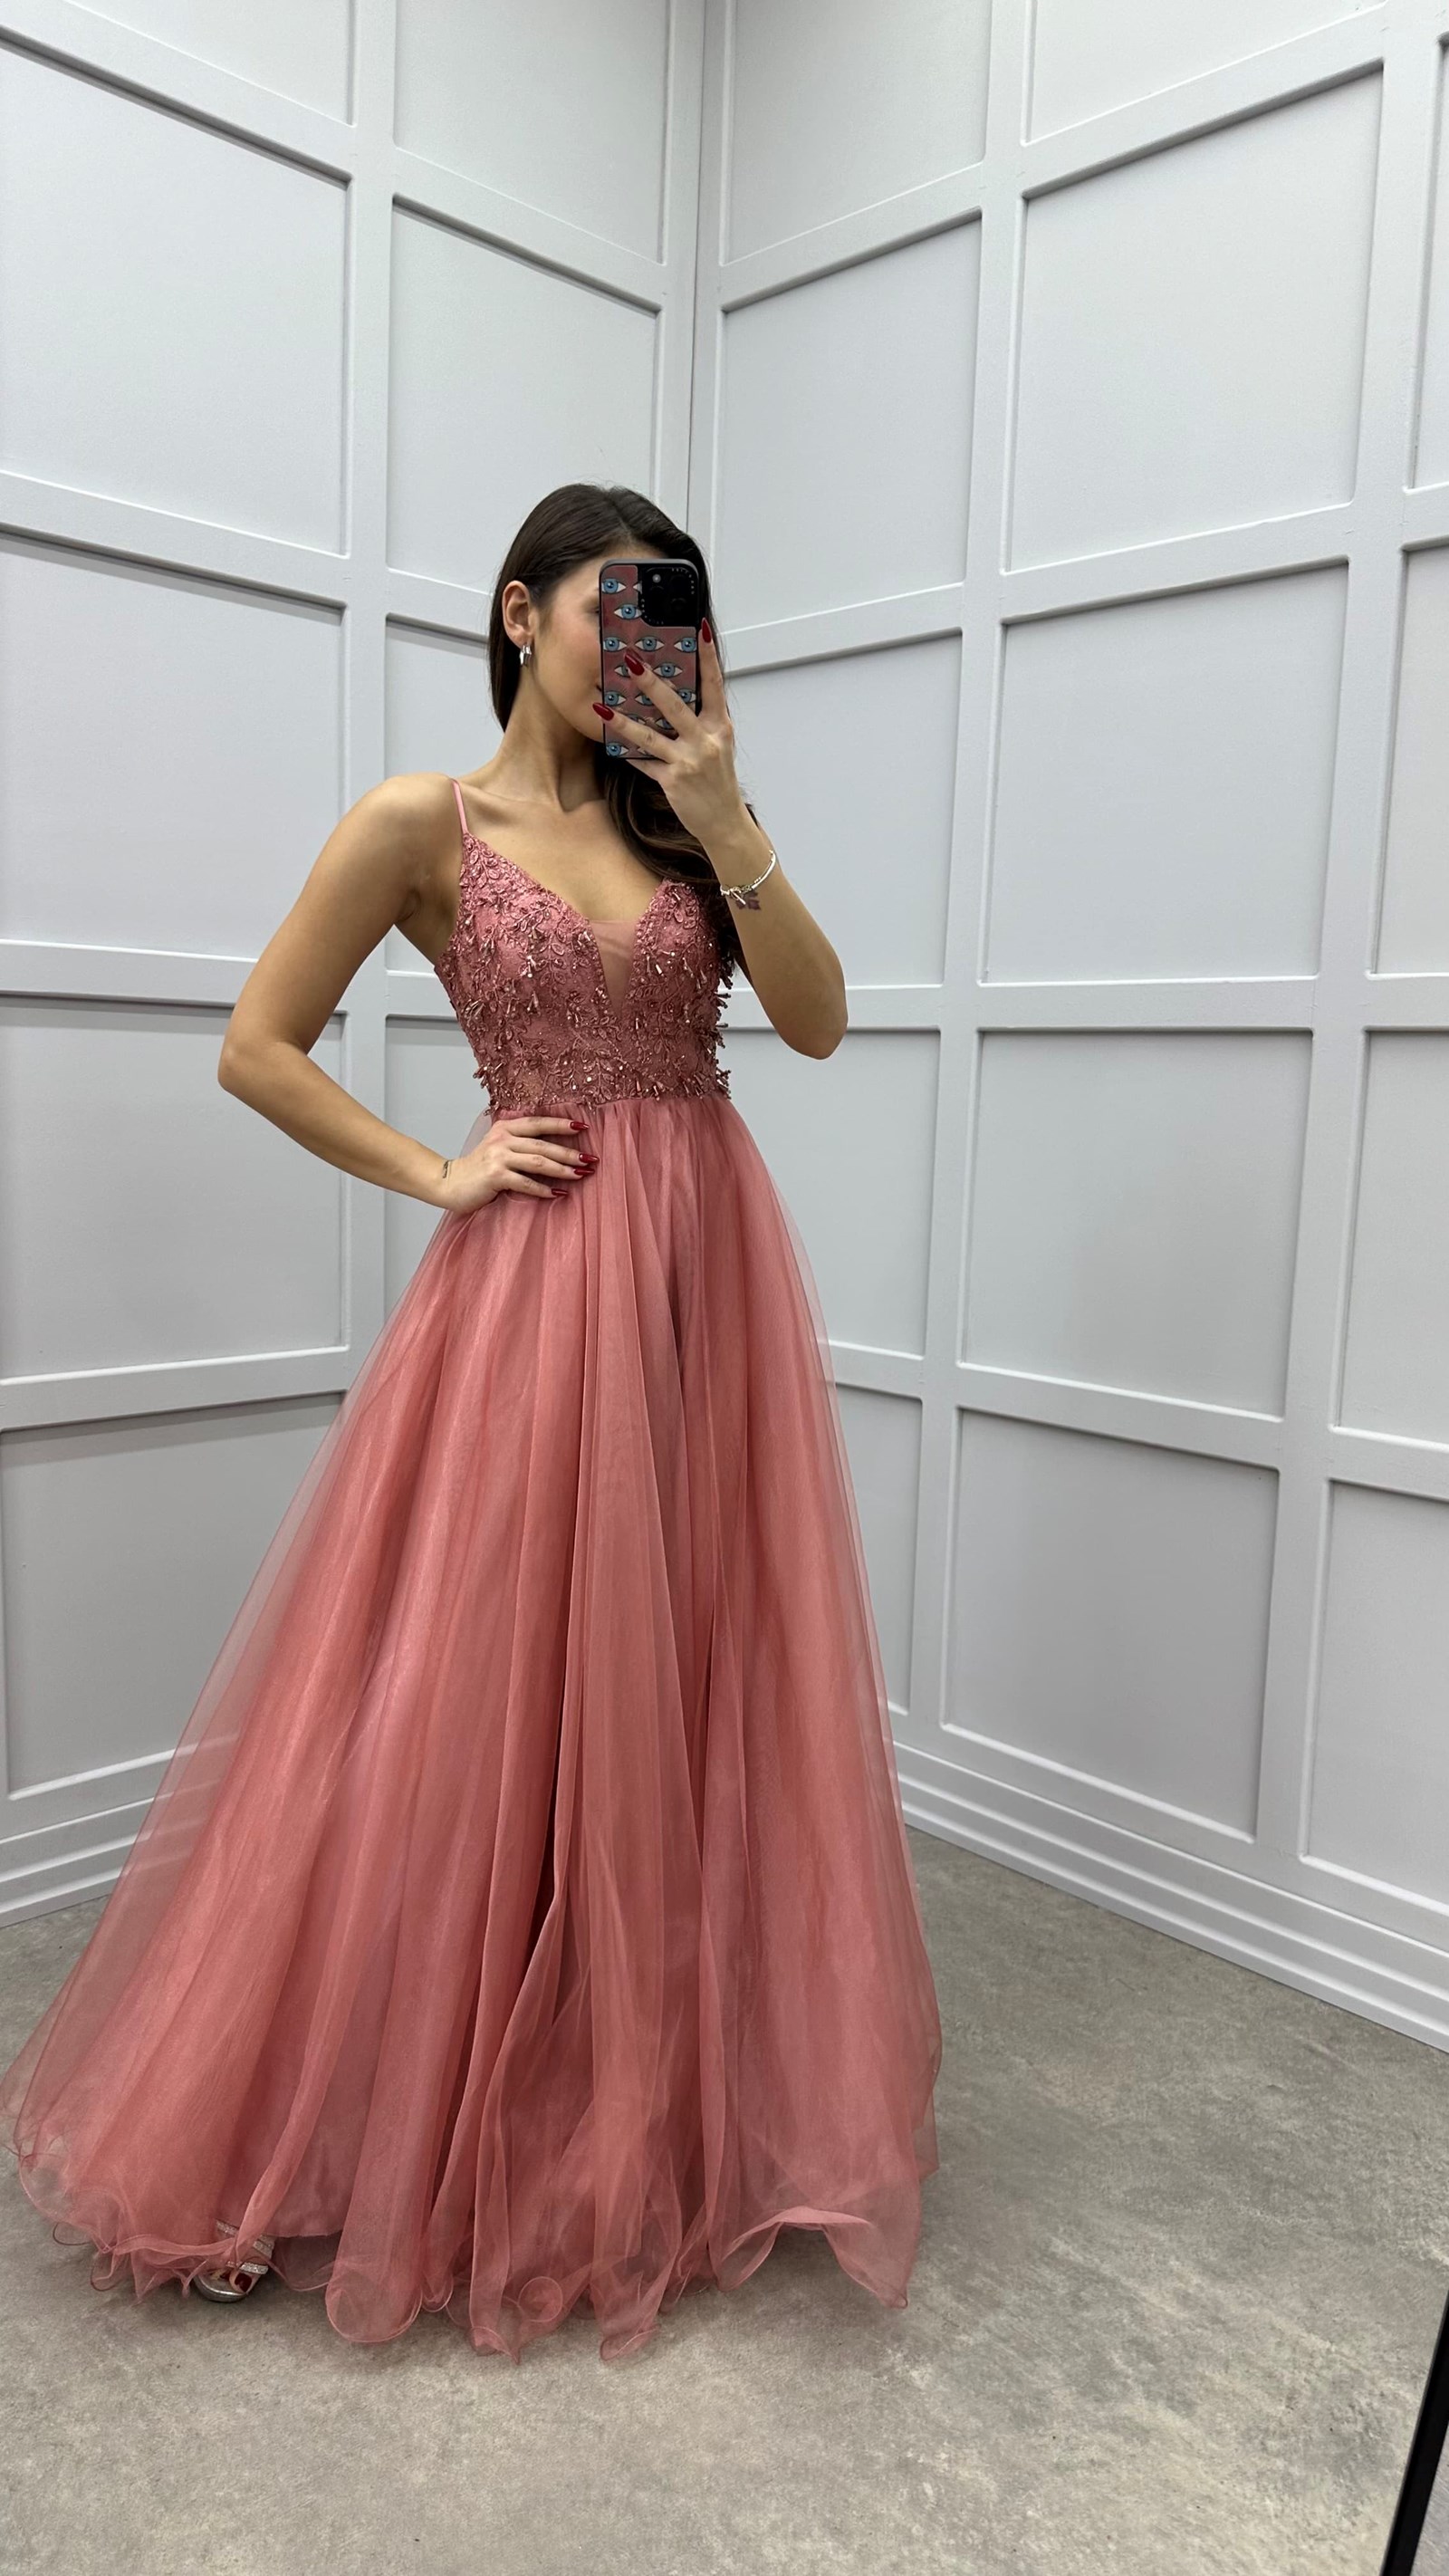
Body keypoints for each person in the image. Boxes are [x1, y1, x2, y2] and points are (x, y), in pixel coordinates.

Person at [0, 482, 942, 2364]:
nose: (643, 650)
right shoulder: (420, 824)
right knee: (482, 1683)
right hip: (536, 1291)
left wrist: (731, 818)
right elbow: (257, 1044)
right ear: (521, 615)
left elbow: (821, 1024)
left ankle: (653, 2085)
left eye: (675, 620)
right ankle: (422, 2084)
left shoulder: (685, 826)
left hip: (705, 1292)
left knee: (688, 1671)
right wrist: (438, 1169)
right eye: (613, 610)